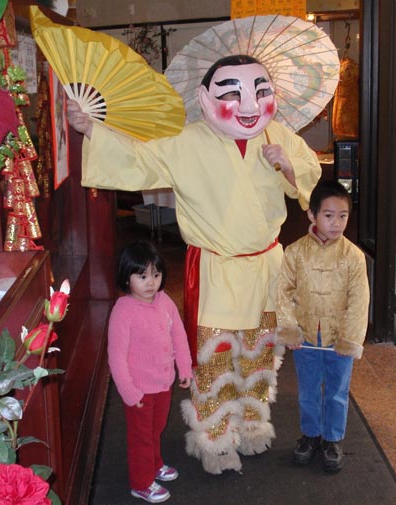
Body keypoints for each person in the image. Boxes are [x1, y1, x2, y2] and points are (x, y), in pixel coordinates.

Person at [67, 54, 322, 474]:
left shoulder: (280, 135)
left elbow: (310, 187)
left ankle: (254, 423)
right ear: (204, 99)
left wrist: (289, 167)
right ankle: (216, 438)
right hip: (216, 269)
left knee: (259, 353)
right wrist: (91, 128)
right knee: (216, 357)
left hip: (266, 268)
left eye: (261, 91)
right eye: (232, 93)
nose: (249, 105)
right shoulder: (186, 141)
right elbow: (138, 158)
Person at [276, 180, 370, 473]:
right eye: (328, 215)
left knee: (337, 391)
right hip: (305, 338)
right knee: (307, 390)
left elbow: (359, 301)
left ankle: (332, 439)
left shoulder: (353, 256)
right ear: (312, 215)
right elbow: (282, 294)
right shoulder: (294, 252)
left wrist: (350, 338)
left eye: (343, 215)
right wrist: (289, 329)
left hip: (337, 336)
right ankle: (311, 434)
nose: (336, 222)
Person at [108, 241, 193, 503]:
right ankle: (141, 482)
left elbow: (178, 335)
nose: (150, 282)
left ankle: (154, 465)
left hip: (163, 382)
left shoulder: (165, 301)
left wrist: (185, 366)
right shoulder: (123, 311)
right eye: (142, 276)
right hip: (139, 389)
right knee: (141, 438)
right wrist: (129, 391)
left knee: (157, 429)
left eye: (155, 275)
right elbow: (116, 358)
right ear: (126, 277)